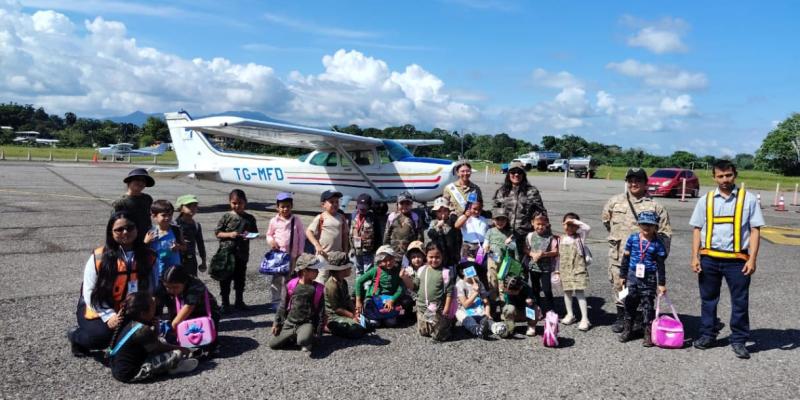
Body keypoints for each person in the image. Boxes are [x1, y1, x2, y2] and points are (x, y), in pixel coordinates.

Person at [690, 160, 764, 359]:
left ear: (735, 175)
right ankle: (707, 334)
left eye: (728, 175)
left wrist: (752, 259)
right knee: (708, 300)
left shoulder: (748, 200)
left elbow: (755, 230)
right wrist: (695, 257)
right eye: (720, 176)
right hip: (709, 259)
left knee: (740, 301)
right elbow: (697, 229)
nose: (725, 180)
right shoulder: (705, 200)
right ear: (714, 177)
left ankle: (739, 340)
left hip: (738, 260)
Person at [67, 211, 155, 356]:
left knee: (142, 335)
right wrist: (109, 316)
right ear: (111, 232)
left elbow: (151, 289)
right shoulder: (98, 257)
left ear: (137, 229)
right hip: (97, 307)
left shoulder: (149, 256)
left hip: (130, 308)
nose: (125, 232)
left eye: (130, 227)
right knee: (101, 338)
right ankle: (76, 336)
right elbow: (89, 292)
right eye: (119, 229)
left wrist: (148, 313)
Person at [601, 167, 672, 333]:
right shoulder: (614, 202)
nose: (634, 183)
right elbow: (606, 222)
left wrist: (657, 256)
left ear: (645, 183)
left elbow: (665, 234)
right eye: (631, 180)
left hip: (643, 261)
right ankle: (622, 316)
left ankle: (640, 318)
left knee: (643, 289)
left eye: (638, 180)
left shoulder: (655, 207)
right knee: (620, 286)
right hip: (619, 255)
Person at [107, 292, 198, 383]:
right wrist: (184, 349)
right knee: (176, 354)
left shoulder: (129, 321)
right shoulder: (143, 330)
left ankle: (173, 364)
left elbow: (153, 342)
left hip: (118, 367)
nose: (154, 304)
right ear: (143, 314)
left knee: (163, 342)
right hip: (129, 373)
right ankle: (175, 367)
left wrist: (156, 329)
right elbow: (159, 348)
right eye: (152, 306)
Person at [618, 211, 668, 347]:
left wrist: (662, 283)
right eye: (643, 224)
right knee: (630, 302)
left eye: (650, 225)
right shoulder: (633, 239)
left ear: (655, 226)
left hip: (649, 277)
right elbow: (626, 258)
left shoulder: (658, 243)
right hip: (633, 275)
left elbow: (661, 265)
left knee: (647, 305)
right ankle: (628, 329)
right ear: (639, 225)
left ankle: (647, 333)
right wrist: (622, 275)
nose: (646, 227)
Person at [269, 254, 327, 353]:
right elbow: (282, 305)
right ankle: (297, 337)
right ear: (304, 271)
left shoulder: (318, 289)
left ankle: (304, 338)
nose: (318, 272)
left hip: (306, 323)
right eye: (314, 269)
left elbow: (321, 312)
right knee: (273, 344)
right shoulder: (291, 285)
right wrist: (277, 323)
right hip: (290, 323)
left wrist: (319, 332)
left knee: (303, 340)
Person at [214, 189, 258, 312]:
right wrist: (229, 234)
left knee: (240, 278)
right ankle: (225, 304)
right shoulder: (226, 217)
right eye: (234, 203)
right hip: (227, 255)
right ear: (230, 202)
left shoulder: (250, 218)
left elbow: (255, 233)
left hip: (242, 255)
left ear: (245, 202)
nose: (237, 205)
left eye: (240, 203)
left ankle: (239, 301)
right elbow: (217, 233)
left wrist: (248, 235)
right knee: (225, 279)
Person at [157, 265, 221, 348]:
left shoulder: (195, 285)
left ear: (185, 282)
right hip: (183, 308)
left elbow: (188, 307)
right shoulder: (166, 282)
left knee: (206, 341)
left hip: (204, 312)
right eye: (167, 287)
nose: (171, 290)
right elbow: (156, 301)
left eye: (175, 287)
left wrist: (171, 328)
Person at [492, 160, 547, 254]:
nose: (516, 174)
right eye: (513, 172)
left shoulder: (532, 191)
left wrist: (546, 233)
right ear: (508, 174)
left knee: (522, 266)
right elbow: (494, 212)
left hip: (525, 235)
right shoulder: (502, 191)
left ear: (524, 174)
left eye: (519, 172)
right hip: (505, 234)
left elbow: (541, 213)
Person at [265, 192, 306, 310]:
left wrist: (300, 253)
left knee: (290, 279)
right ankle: (276, 301)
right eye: (282, 206)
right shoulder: (274, 221)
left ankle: (289, 300)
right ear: (277, 207)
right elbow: (269, 234)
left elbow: (301, 236)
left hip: (292, 256)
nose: (285, 209)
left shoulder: (296, 220)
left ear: (291, 206)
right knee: (277, 279)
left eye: (288, 206)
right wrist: (271, 241)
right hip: (278, 256)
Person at [355, 245, 412, 327]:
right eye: (384, 260)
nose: (388, 263)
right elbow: (359, 282)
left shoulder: (397, 271)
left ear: (394, 258)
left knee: (391, 323)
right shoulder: (375, 270)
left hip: (389, 300)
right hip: (374, 299)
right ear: (379, 261)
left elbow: (401, 288)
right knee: (374, 323)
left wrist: (393, 299)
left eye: (390, 259)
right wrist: (358, 300)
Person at [414, 242, 456, 341]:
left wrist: (446, 308)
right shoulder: (421, 270)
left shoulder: (445, 272)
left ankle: (448, 323)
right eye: (431, 257)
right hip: (422, 307)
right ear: (426, 256)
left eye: (437, 257)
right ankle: (434, 324)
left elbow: (450, 292)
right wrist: (404, 278)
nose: (434, 260)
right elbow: (414, 286)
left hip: (437, 308)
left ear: (442, 256)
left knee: (439, 336)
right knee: (423, 332)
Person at [324, 251, 371, 339]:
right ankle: (329, 327)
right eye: (348, 267)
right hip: (334, 315)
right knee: (356, 330)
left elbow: (347, 299)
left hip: (345, 311)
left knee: (367, 324)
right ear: (341, 270)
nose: (350, 269)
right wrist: (352, 316)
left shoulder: (343, 282)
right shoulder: (331, 286)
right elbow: (337, 309)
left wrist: (355, 312)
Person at [558, 213, 592, 331]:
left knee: (579, 293)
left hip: (578, 269)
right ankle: (570, 314)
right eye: (567, 224)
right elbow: (558, 257)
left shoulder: (580, 238)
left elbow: (587, 228)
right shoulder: (561, 239)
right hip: (565, 270)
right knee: (567, 293)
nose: (569, 227)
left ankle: (584, 319)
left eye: (573, 225)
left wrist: (575, 221)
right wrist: (557, 270)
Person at [306, 190, 349, 284]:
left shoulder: (341, 217)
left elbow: (345, 235)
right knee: (322, 278)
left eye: (337, 202)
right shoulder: (321, 217)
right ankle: (319, 297)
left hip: (337, 256)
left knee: (336, 279)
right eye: (331, 202)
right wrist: (317, 245)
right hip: (323, 255)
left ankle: (333, 297)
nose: (335, 204)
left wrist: (345, 250)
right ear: (323, 205)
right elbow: (309, 232)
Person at [144, 199, 186, 287]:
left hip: (174, 271)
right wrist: (146, 241)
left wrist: (178, 247)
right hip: (157, 272)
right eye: (163, 215)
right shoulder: (151, 232)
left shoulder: (176, 230)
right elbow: (143, 249)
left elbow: (184, 247)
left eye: (170, 215)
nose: (167, 218)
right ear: (154, 216)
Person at [455, 264, 503, 339]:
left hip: (479, 310)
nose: (473, 271)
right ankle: (477, 330)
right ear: (462, 272)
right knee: (463, 316)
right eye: (469, 269)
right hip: (465, 312)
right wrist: (476, 292)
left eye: (473, 269)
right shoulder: (459, 285)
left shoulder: (478, 283)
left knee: (486, 320)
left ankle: (496, 328)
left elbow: (486, 301)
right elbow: (465, 305)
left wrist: (487, 313)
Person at [525, 213, 559, 314]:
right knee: (535, 289)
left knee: (547, 290)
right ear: (532, 223)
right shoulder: (530, 236)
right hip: (534, 268)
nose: (540, 226)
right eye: (538, 224)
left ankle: (550, 309)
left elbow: (555, 251)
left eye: (543, 224)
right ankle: (537, 309)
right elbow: (525, 248)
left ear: (547, 224)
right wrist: (532, 253)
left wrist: (544, 254)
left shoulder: (550, 237)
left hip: (546, 268)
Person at [482, 207, 517, 301]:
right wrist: (486, 247)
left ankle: (503, 303)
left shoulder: (509, 233)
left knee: (502, 282)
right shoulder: (490, 231)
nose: (500, 222)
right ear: (493, 220)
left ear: (507, 220)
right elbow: (485, 243)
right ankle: (493, 302)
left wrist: (509, 243)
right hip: (492, 260)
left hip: (505, 262)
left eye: (503, 219)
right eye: (497, 219)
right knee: (492, 281)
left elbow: (514, 247)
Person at [112, 168, 155, 243]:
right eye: (137, 180)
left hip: (147, 237)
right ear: (129, 182)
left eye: (143, 181)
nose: (141, 183)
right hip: (129, 239)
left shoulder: (147, 198)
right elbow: (115, 224)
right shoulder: (120, 202)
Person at [175, 194, 206, 276]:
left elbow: (200, 243)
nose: (193, 208)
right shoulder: (175, 225)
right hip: (177, 259)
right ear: (180, 208)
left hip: (191, 260)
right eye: (189, 206)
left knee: (191, 282)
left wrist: (203, 260)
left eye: (195, 206)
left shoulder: (196, 225)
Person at [424, 197, 460, 268]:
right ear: (435, 213)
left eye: (445, 211)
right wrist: (438, 227)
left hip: (452, 255)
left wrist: (452, 214)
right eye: (439, 211)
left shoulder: (452, 221)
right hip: (439, 256)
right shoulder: (433, 223)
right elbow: (430, 234)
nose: (442, 213)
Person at [350, 193, 378, 278]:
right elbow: (349, 232)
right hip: (356, 250)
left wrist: (377, 249)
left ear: (369, 207)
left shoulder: (373, 217)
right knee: (358, 270)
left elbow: (378, 234)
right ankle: (359, 288)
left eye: (364, 208)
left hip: (368, 251)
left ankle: (367, 289)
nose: (362, 210)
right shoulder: (353, 215)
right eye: (360, 207)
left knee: (367, 271)